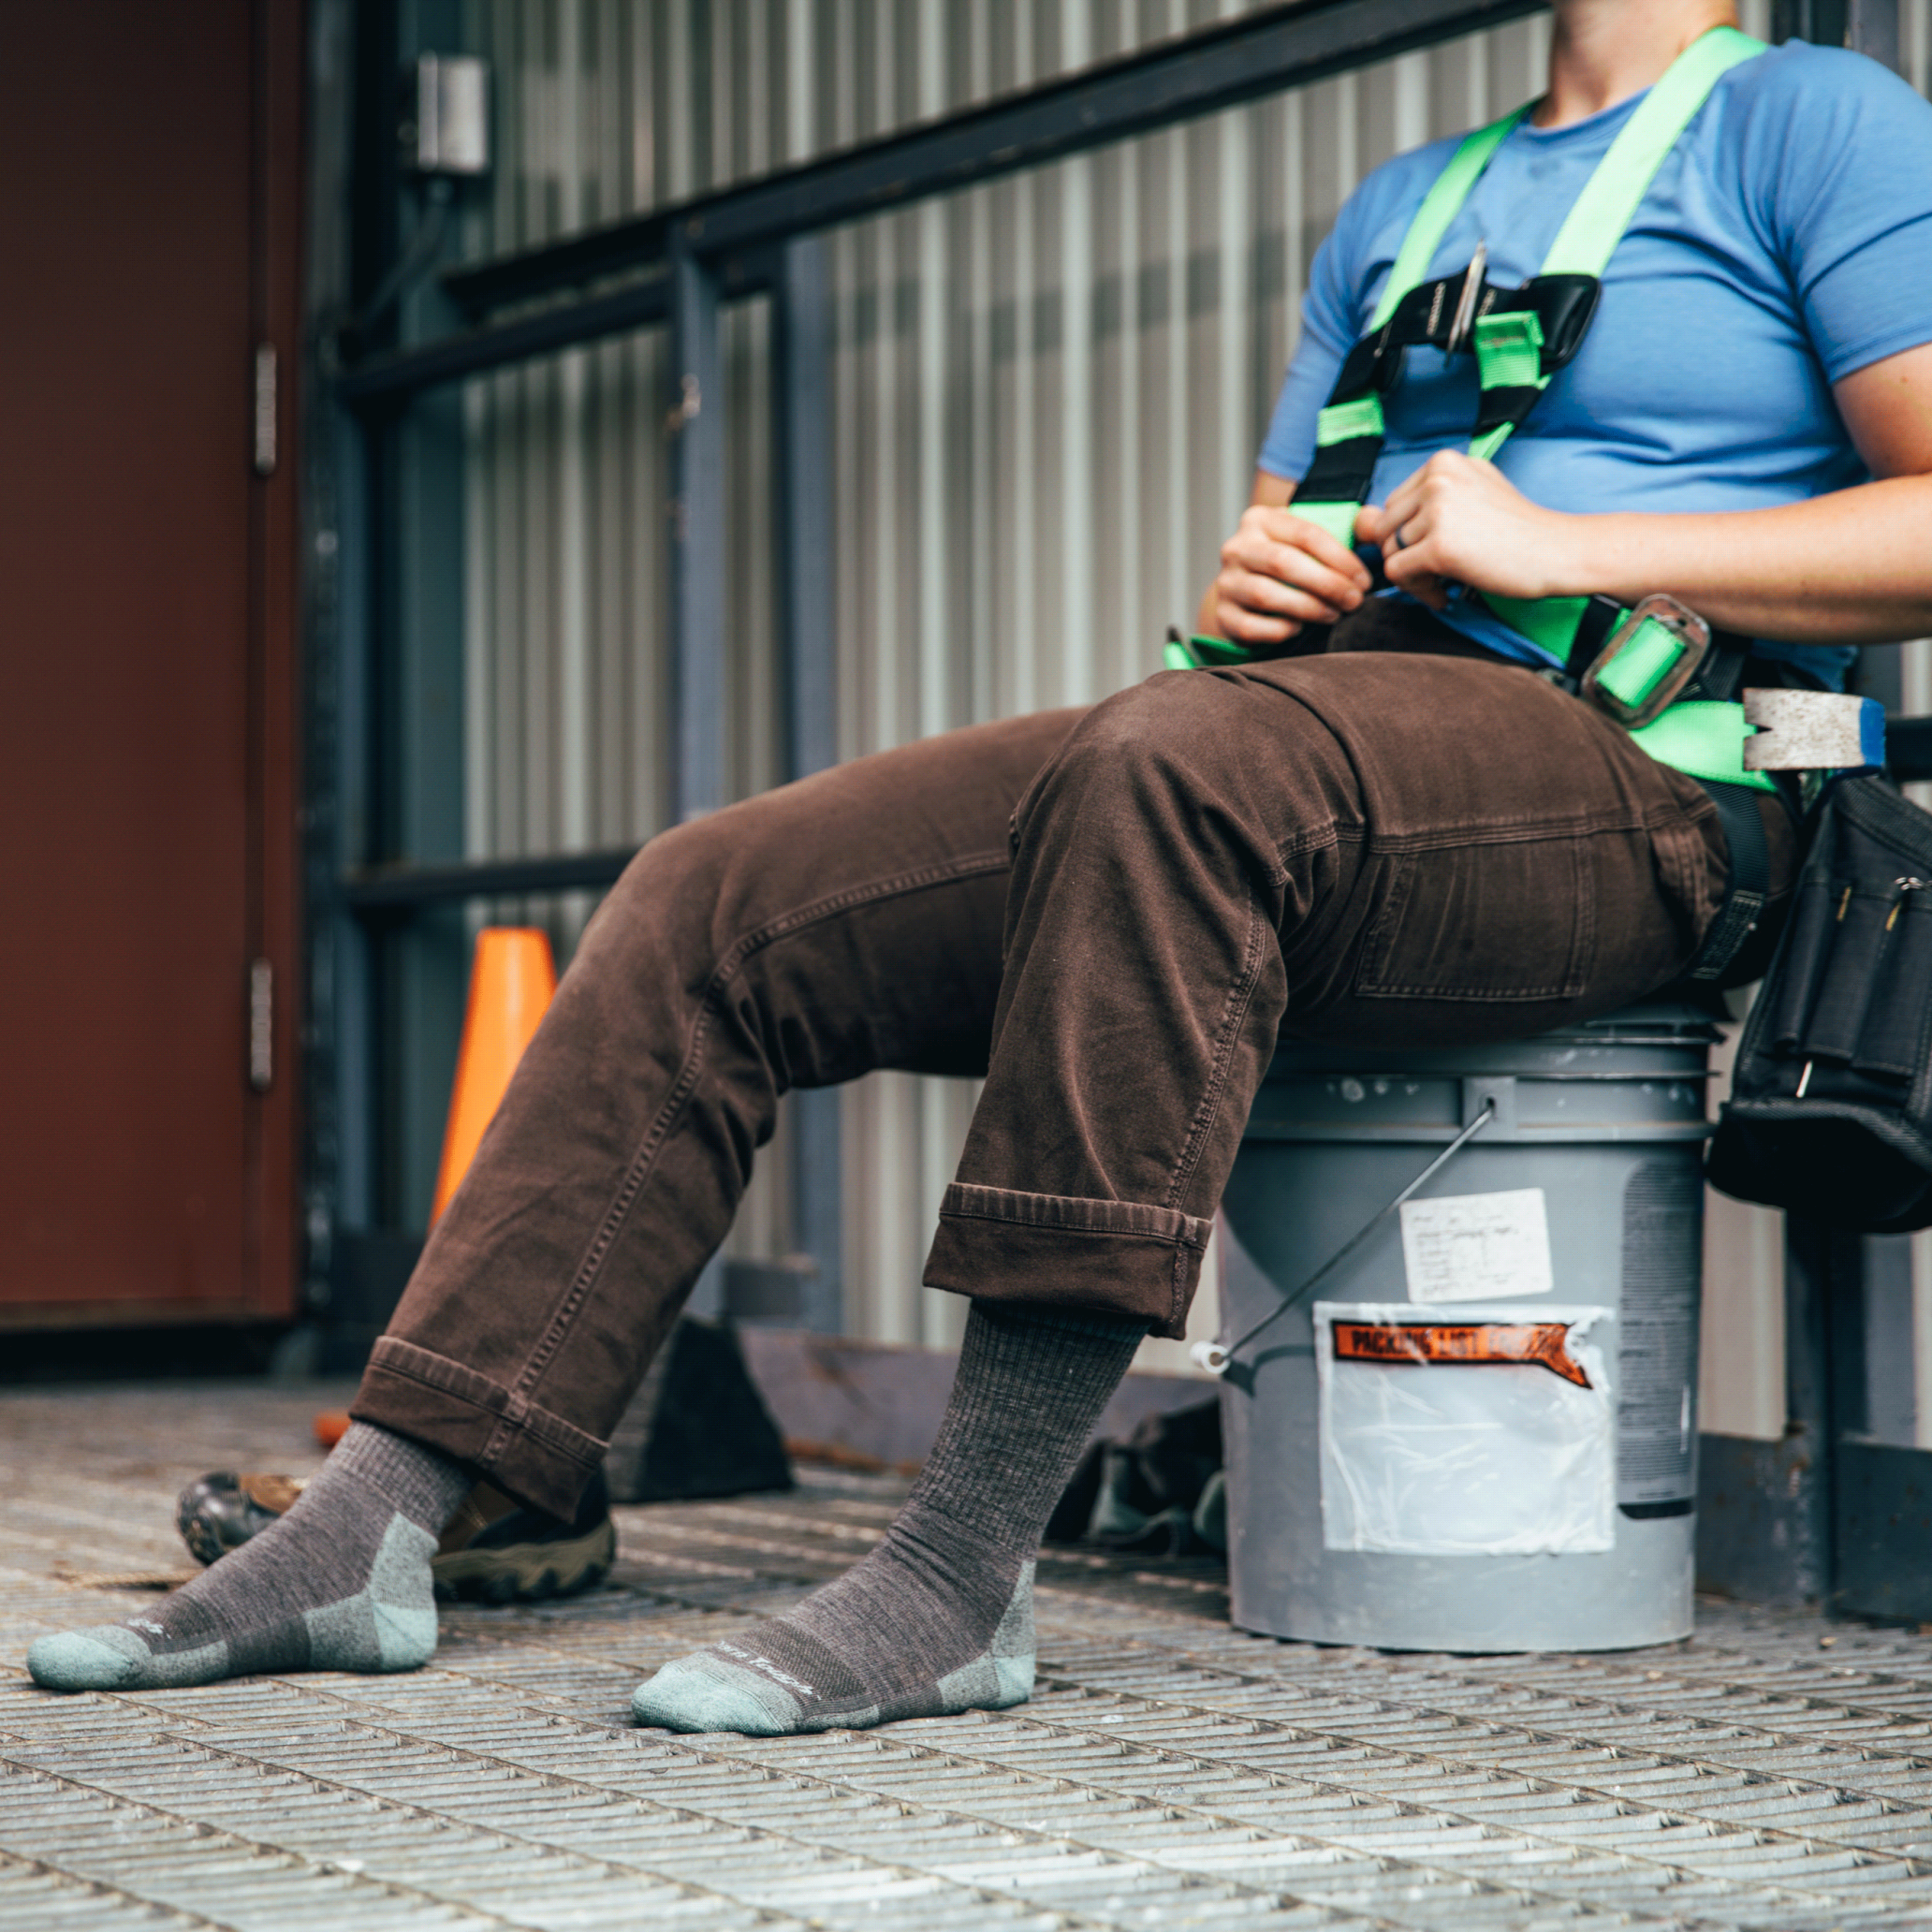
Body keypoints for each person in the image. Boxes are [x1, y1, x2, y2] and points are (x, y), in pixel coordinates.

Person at [30, 0, 1932, 1730]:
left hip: (1649, 783)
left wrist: (1574, 546)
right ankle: (392, 1511)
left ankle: (959, 1575)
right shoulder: (1405, 209)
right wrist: (1252, 581)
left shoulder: (1808, 122)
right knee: (719, 894)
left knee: (1178, 766)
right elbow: (1272, 568)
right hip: (1316, 750)